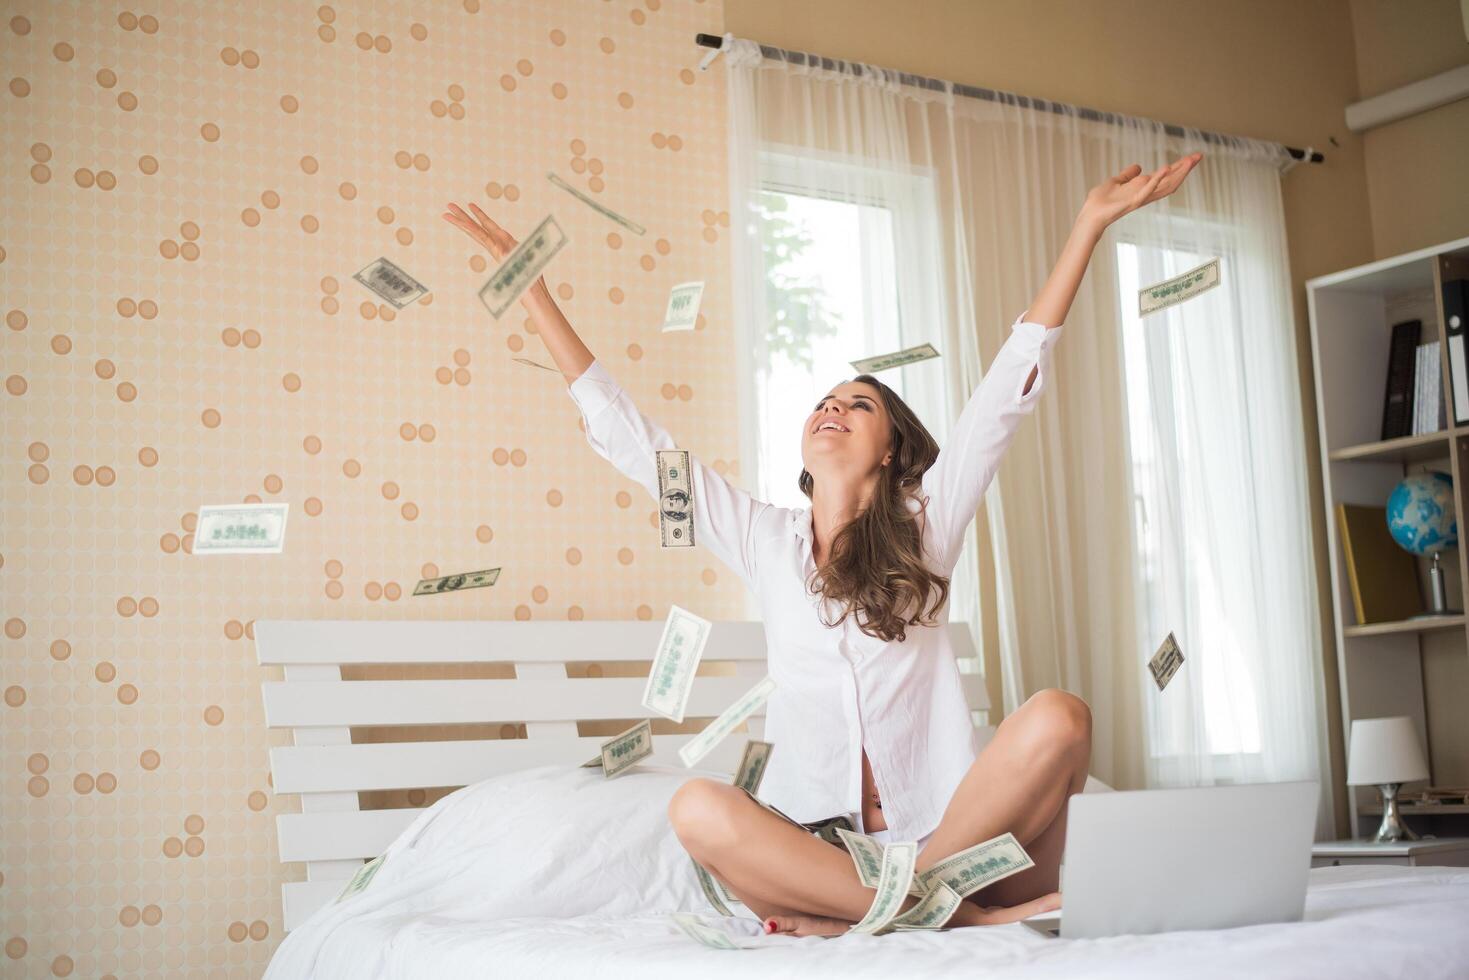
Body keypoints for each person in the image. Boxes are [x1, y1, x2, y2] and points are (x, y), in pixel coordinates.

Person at [442, 150, 1203, 937]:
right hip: (825, 857)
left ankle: (908, 908)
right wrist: (533, 291)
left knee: (1059, 715)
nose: (833, 408)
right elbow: (639, 445)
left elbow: (1008, 385)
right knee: (697, 805)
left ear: (890, 449)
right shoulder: (761, 538)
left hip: (959, 838)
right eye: (823, 402)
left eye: (859, 404)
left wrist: (1088, 224)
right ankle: (948, 919)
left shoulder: (926, 525)